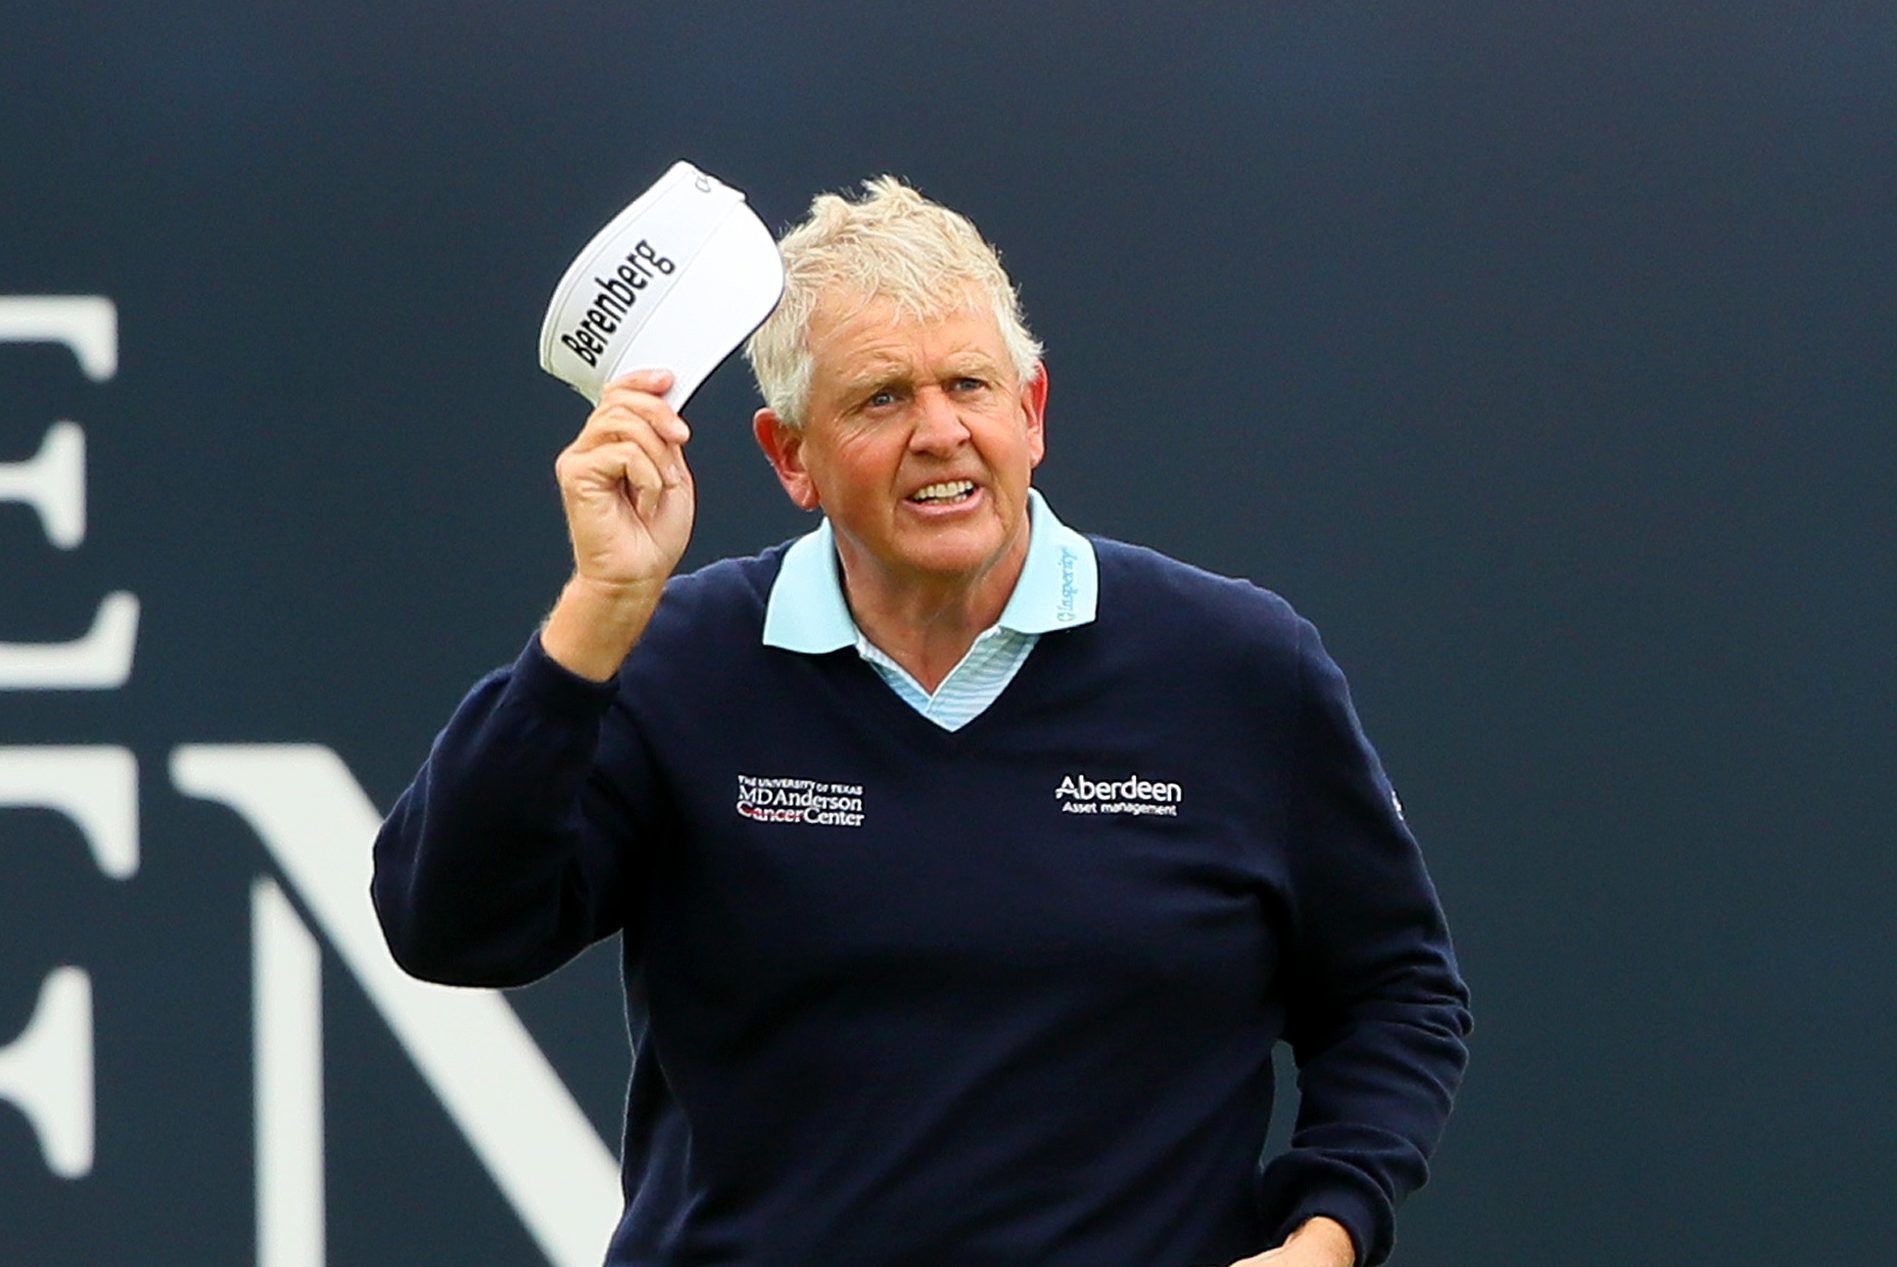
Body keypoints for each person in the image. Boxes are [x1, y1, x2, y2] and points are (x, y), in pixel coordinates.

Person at [372, 177, 1471, 1267]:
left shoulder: (1237, 667)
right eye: (881, 399)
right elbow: (449, 927)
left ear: (1031, 411)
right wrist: (603, 607)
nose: (939, 432)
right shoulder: (674, 663)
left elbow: (1395, 991)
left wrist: (1324, 1235)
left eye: (968, 385)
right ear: (788, 455)